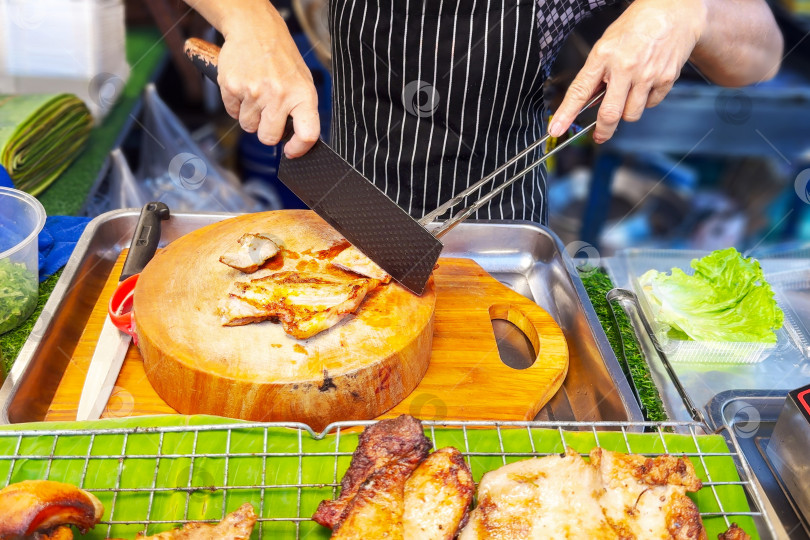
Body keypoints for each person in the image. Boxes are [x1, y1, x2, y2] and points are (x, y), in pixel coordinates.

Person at [185, 0, 782, 224]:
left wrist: (687, 9)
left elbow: (762, 54)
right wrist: (248, 18)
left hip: (504, 229)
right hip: (356, 214)